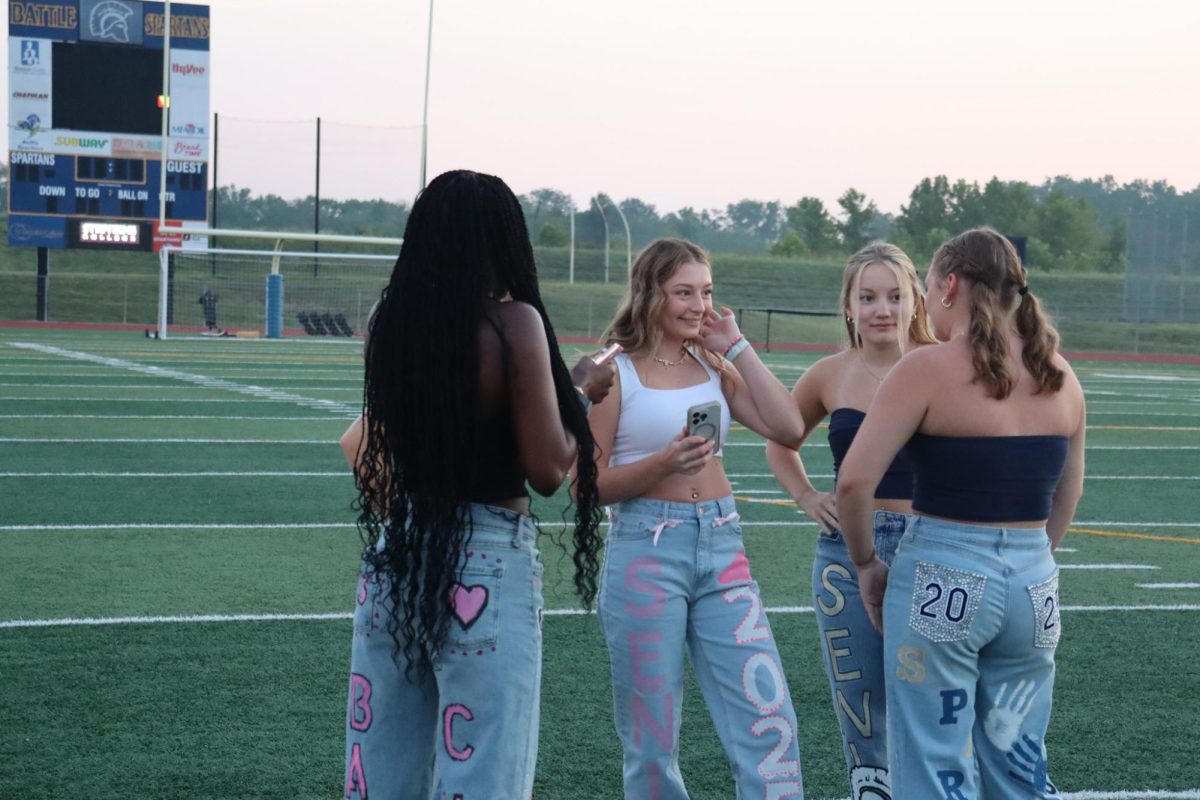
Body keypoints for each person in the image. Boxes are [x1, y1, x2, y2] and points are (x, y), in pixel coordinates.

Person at [338, 169, 615, 800]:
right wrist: (581, 389)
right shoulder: (512, 323)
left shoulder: (389, 322)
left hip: (396, 552)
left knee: (379, 771)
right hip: (486, 555)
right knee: (483, 773)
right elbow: (548, 471)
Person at [836, 227, 1085, 799]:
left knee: (933, 760)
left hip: (942, 574)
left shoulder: (925, 369)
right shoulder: (1062, 375)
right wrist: (1028, 562)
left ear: (950, 286)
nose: (923, 303)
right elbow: (1066, 498)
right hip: (1033, 583)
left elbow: (854, 482)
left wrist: (867, 564)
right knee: (1020, 762)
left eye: (924, 288)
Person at [586, 238, 807, 799]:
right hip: (645, 552)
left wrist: (737, 348)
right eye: (683, 292)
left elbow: (789, 428)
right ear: (650, 293)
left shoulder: (710, 362)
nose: (698, 305)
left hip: (722, 545)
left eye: (706, 292)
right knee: (652, 740)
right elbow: (587, 486)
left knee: (769, 717)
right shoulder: (617, 370)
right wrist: (662, 463)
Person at [765, 242, 936, 799]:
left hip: (929, 545)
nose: (881, 309)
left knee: (930, 694)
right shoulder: (829, 375)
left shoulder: (941, 364)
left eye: (894, 296)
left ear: (916, 302)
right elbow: (781, 442)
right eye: (867, 297)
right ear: (848, 305)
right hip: (845, 550)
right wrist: (808, 496)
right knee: (861, 698)